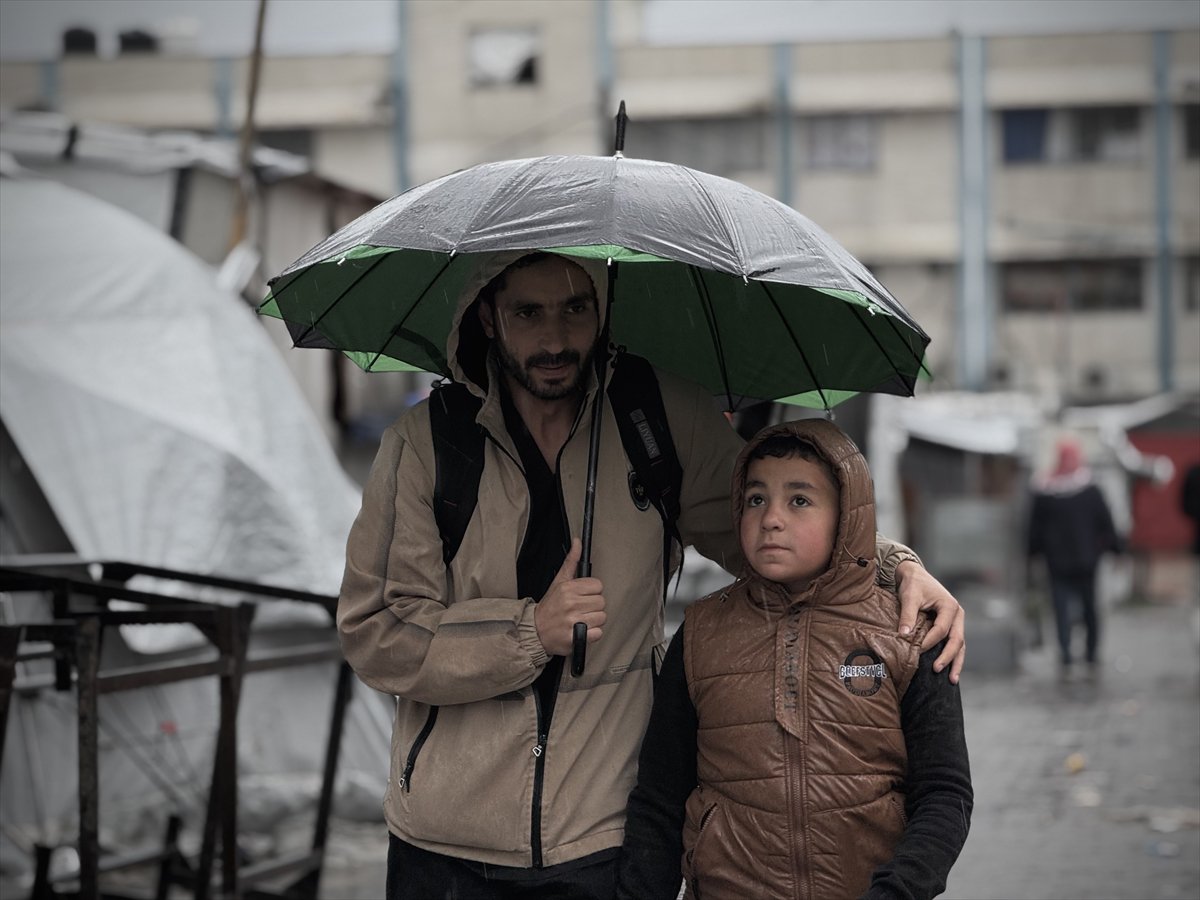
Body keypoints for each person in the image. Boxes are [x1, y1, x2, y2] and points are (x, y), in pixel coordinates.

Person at [336, 250, 967, 899]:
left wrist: (897, 566)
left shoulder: (657, 415)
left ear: (601, 310)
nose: (555, 338)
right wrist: (528, 633)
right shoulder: (426, 443)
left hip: (603, 837)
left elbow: (771, 524)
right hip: (445, 848)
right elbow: (376, 631)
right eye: (528, 312)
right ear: (489, 319)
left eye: (575, 309)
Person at [616, 420, 973, 900]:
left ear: (848, 515)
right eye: (756, 499)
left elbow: (945, 795)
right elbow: (659, 801)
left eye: (799, 500)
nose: (771, 519)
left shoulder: (909, 633)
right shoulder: (700, 635)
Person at [1027, 436, 1122, 675]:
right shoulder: (1045, 490)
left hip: (1085, 561)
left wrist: (1116, 549)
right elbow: (1035, 527)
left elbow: (1105, 523)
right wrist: (1032, 553)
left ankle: (1090, 653)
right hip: (1060, 562)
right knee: (1061, 609)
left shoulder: (1089, 488)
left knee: (1089, 608)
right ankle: (1067, 654)